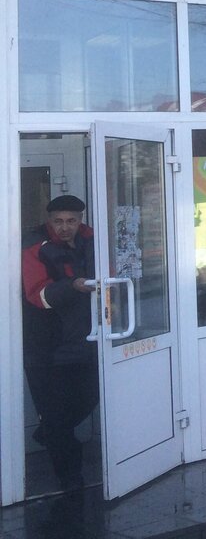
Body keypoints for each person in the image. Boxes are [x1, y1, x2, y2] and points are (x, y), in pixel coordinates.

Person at [21, 195, 98, 492]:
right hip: (45, 348)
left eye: (71, 221)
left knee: (89, 398)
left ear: (80, 220)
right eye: (58, 221)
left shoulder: (92, 239)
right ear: (49, 220)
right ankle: (70, 482)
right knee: (56, 417)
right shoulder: (35, 246)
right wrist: (74, 286)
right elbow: (38, 295)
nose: (65, 227)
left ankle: (48, 434)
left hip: (86, 344)